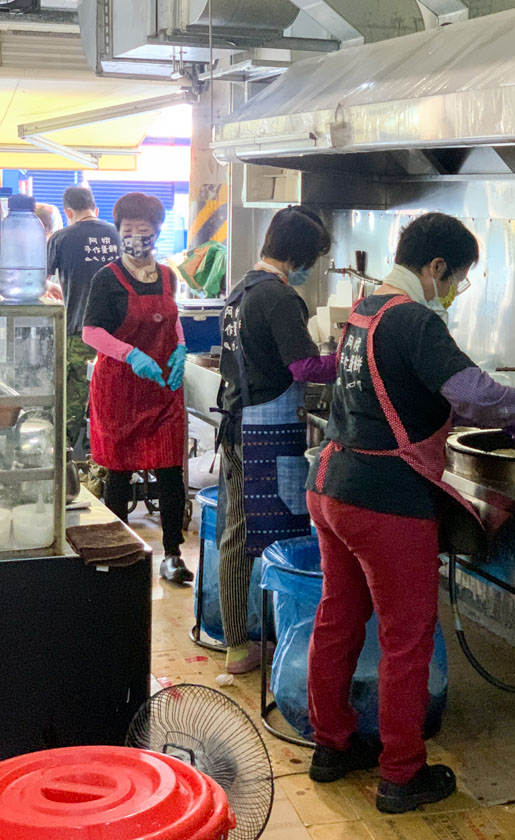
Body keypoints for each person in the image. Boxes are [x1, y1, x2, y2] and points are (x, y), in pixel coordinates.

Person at [305, 212, 515, 814]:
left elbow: (409, 392)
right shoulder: (414, 317)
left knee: (338, 621)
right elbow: (469, 391)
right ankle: (401, 774)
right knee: (407, 639)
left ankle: (332, 746)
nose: (454, 292)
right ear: (437, 267)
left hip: (333, 485)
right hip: (385, 500)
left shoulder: (366, 309)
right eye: (457, 279)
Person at [217, 205, 336, 675]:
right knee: (249, 533)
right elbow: (304, 367)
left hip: (239, 423)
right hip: (262, 431)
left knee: (239, 530)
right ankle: (240, 646)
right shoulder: (280, 298)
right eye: (313, 260)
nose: (313, 270)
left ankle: (245, 637)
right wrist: (354, 357)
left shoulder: (242, 288)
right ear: (299, 256)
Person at [82, 192, 191, 584]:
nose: (133, 237)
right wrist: (132, 355)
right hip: (120, 391)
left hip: (161, 390)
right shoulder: (106, 278)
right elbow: (91, 332)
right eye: (126, 230)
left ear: (157, 233)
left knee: (170, 473)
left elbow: (173, 320)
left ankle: (173, 554)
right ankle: (119, 551)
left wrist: (180, 349)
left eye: (142, 231)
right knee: (118, 472)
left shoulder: (167, 276)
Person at [47, 186, 121, 448]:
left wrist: (51, 287)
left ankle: (67, 459)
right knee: (113, 396)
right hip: (118, 336)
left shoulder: (61, 238)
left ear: (68, 212)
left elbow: (37, 281)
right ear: (95, 208)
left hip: (79, 331)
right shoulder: (117, 234)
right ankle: (109, 455)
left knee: (75, 399)